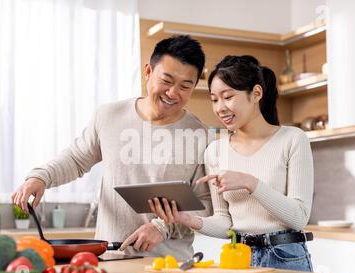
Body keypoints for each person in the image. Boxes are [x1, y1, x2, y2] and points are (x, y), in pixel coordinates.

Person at [12, 35, 213, 260]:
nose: (173, 93)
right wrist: (40, 177)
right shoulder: (109, 116)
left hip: (169, 265)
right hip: (112, 260)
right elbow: (77, 159)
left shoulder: (200, 136)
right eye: (166, 81)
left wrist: (162, 227)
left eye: (185, 86)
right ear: (148, 72)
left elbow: (206, 206)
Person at [149, 55, 314, 271]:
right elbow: (225, 223)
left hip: (286, 257)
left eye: (227, 97)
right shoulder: (215, 152)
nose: (220, 108)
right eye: (214, 99)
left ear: (256, 93)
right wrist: (186, 219)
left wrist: (250, 183)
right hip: (239, 258)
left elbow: (298, 217)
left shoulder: (293, 139)